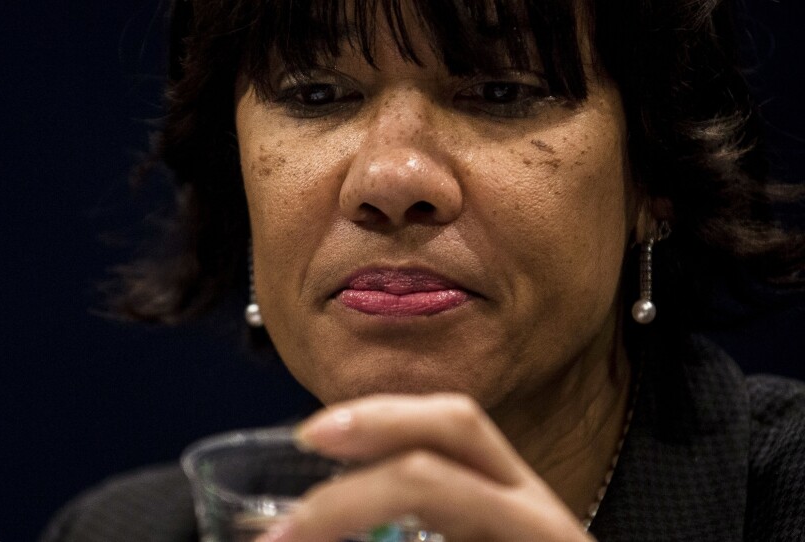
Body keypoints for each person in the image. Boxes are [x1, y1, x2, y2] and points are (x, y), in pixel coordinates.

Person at [41, 0, 805, 540]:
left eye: (501, 92)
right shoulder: (124, 529)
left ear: (654, 177)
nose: (391, 179)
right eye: (316, 94)